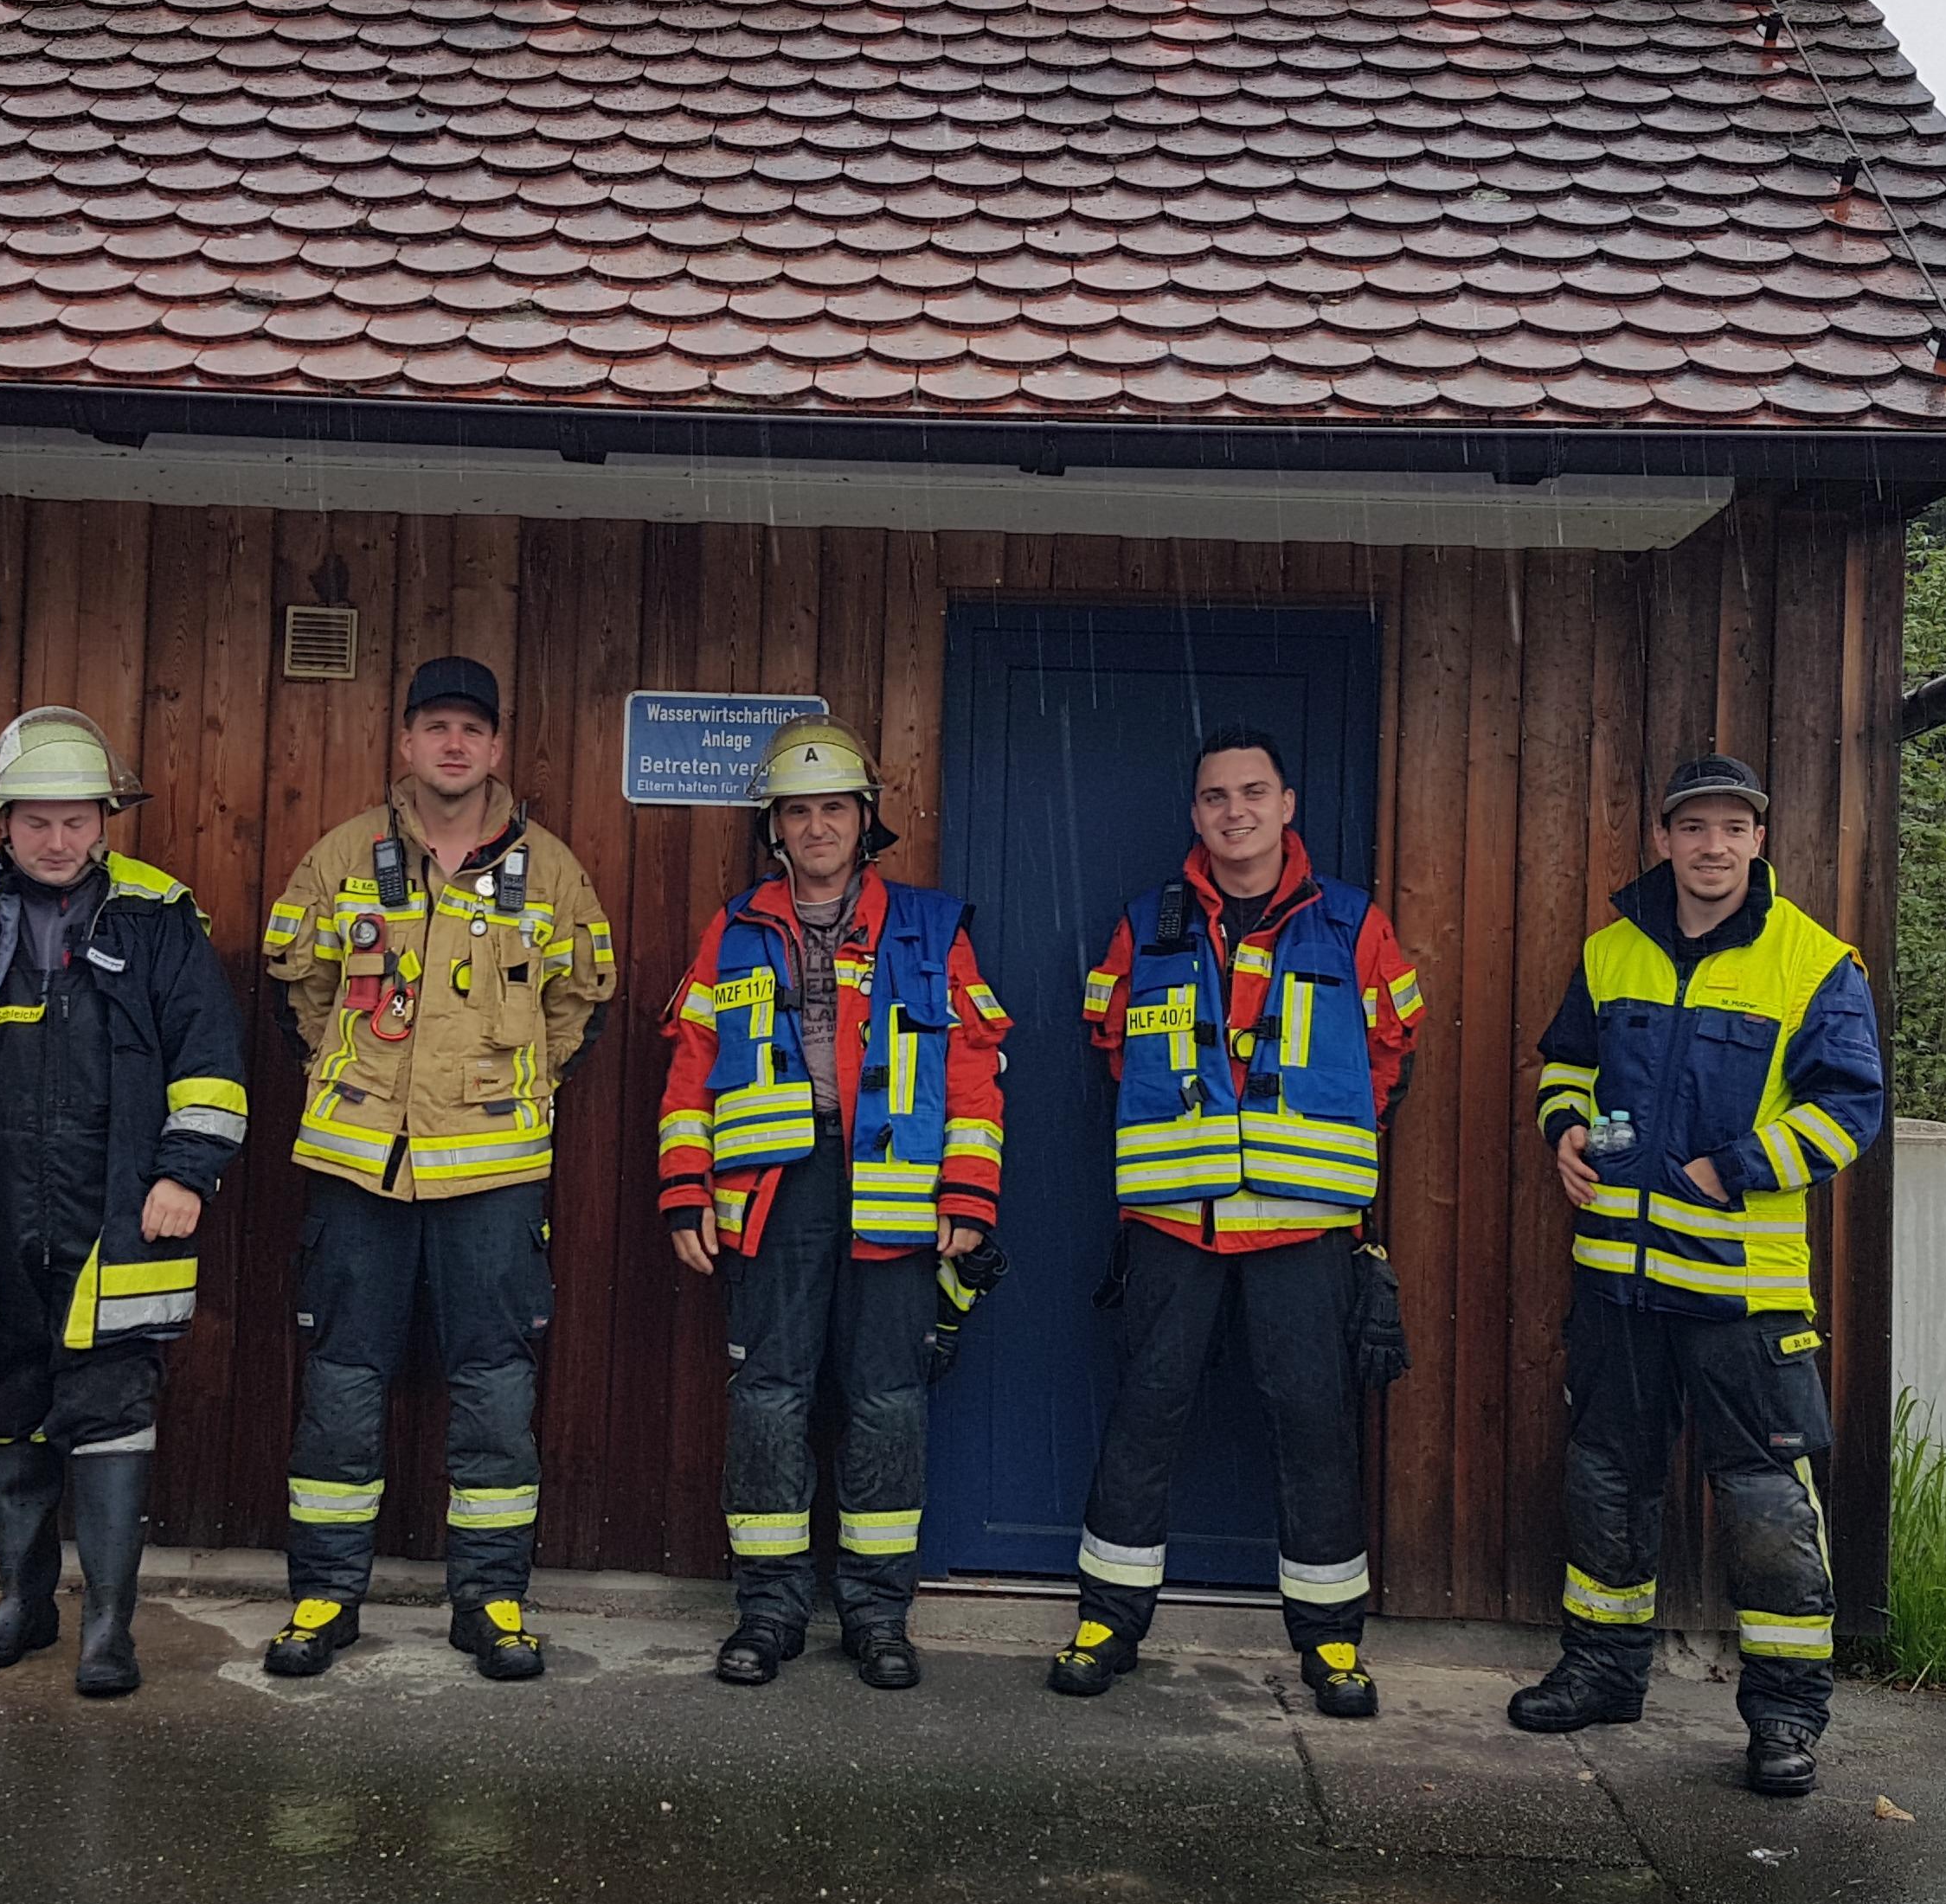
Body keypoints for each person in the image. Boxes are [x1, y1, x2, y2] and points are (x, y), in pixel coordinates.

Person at [0, 708, 248, 1699]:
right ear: (2, 822)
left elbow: (210, 1061)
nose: (57, 842)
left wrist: (186, 1173)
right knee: (2, 1399)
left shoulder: (158, 916)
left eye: (75, 822)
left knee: (112, 1407)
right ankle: (21, 1608)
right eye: (36, 823)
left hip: (121, 1208)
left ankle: (109, 1630)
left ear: (106, 820)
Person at [1514, 753, 1885, 1798]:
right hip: (1618, 1283)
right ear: (1665, 839)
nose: (1713, 846)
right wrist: (1567, 1127)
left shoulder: (1815, 963)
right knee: (1607, 1484)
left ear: (1758, 841)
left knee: (1767, 1502)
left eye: (1733, 828)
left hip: (1743, 1291)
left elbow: (1850, 1106)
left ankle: (1783, 1717)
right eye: (1694, 828)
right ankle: (1601, 1673)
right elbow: (1566, 1062)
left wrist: (1745, 1165)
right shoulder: (1609, 952)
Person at [1051, 726, 1423, 1720]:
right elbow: (1111, 1042)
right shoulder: (1148, 924)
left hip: (1304, 1235)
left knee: (1314, 1426)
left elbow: (1392, 1049)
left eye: (1253, 792)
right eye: (1216, 796)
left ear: (1287, 804)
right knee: (1145, 1416)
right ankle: (1105, 1623)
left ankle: (1333, 1641)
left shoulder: (1351, 922)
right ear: (1196, 814)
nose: (1235, 811)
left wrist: (1314, 1147)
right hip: (1176, 1227)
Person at [257, 657, 616, 1683]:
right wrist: (363, 1080)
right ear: (405, 743)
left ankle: (492, 1602)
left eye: (471, 729)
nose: (453, 745)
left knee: (496, 1390)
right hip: (357, 1169)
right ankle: (325, 1599)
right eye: (434, 727)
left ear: (496, 748)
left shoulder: (548, 870)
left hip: (495, 1179)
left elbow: (574, 1007)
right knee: (342, 1382)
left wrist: (505, 1095)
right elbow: (304, 991)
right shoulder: (342, 857)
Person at [655, 717, 1012, 1691]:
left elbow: (975, 1072)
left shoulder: (931, 929)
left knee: (887, 1405)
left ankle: (876, 1616)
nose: (817, 827)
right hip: (774, 1195)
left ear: (866, 821)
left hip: (897, 1192)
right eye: (799, 811)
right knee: (770, 1401)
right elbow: (691, 1070)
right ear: (776, 827)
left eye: (834, 809)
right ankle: (767, 1614)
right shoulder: (734, 930)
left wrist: (970, 1189)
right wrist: (688, 1191)